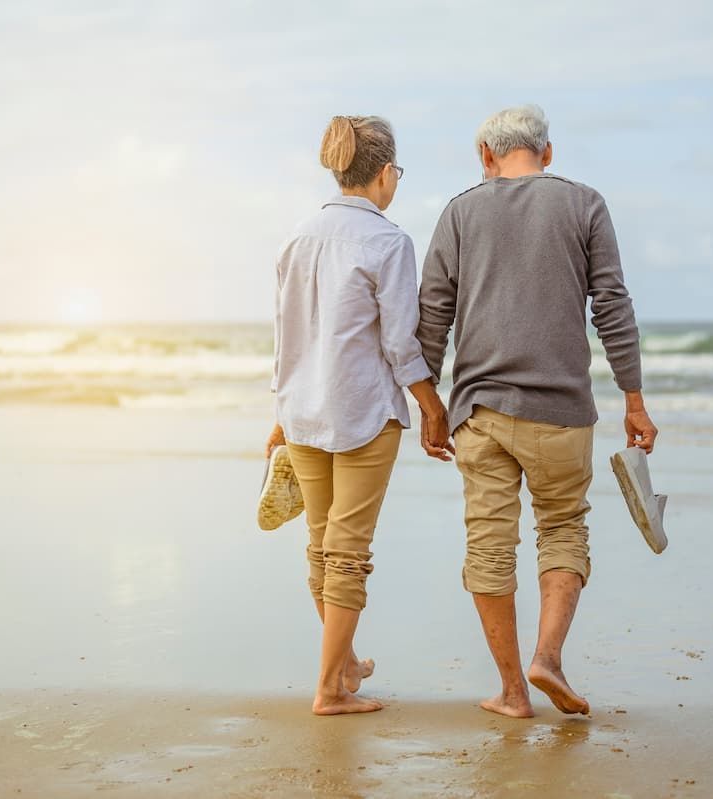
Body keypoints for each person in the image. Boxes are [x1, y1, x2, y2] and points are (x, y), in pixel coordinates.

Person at [416, 104, 659, 718]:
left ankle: (512, 692)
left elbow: (432, 317)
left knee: (490, 548)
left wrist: (430, 405)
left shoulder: (460, 211)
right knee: (563, 530)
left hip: (481, 412)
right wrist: (633, 398)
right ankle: (547, 657)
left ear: (486, 158)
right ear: (548, 153)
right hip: (562, 413)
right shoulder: (584, 204)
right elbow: (612, 306)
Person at [266, 115, 451, 716]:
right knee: (347, 551)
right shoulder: (388, 241)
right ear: (386, 173)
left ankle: (342, 667)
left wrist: (279, 411)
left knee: (322, 546)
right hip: (364, 412)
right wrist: (430, 406)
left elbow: (285, 337)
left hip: (302, 412)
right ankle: (328, 690)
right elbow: (401, 343)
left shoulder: (298, 236)